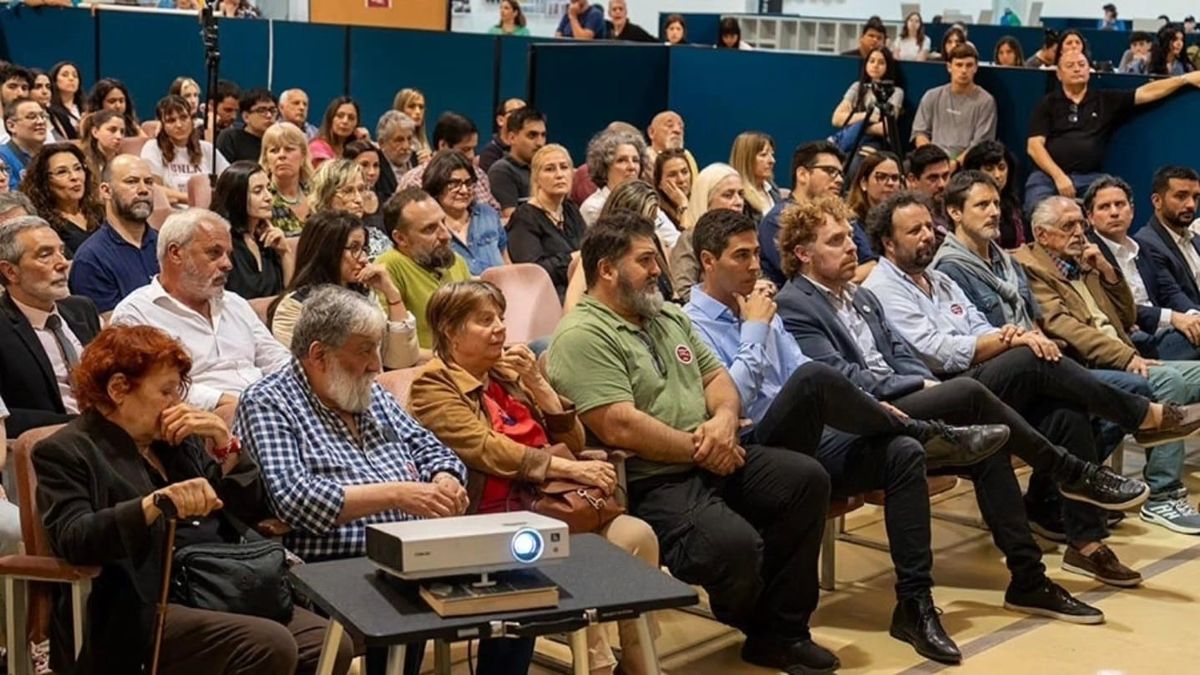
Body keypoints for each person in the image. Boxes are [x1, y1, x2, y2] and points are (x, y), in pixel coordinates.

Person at [686, 206, 1126, 660]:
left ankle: (927, 602)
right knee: (960, 393)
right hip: (764, 446)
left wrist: (881, 404)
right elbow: (739, 395)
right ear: (707, 261)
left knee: (917, 449)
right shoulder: (698, 321)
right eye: (741, 256)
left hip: (837, 426)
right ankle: (1068, 468)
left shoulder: (826, 299)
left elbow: (870, 362)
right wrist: (757, 327)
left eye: (757, 254)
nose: (755, 267)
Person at [774, 195, 1168, 610]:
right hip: (861, 418)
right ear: (802, 253)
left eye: (850, 238)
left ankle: (1030, 579)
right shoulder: (795, 305)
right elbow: (842, 378)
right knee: (984, 386)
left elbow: (900, 353)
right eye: (836, 241)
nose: (851, 247)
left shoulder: (860, 297)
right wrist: (922, 387)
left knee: (997, 438)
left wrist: (921, 383)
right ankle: (1077, 469)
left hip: (910, 401)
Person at [546, 211, 838, 675]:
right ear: (606, 269)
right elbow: (619, 425)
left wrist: (723, 420)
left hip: (711, 455)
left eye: (657, 258)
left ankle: (784, 634)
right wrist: (701, 447)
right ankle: (760, 624)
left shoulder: (665, 315)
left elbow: (718, 378)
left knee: (804, 480)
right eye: (645, 261)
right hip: (651, 480)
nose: (658, 269)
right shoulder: (582, 335)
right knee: (734, 547)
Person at [34, 324, 353, 675]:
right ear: (118, 388)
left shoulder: (177, 440)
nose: (177, 403)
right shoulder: (66, 451)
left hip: (217, 585)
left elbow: (252, 509)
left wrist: (223, 441)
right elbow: (74, 538)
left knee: (328, 642)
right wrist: (154, 504)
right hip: (139, 603)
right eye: (167, 391)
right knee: (268, 644)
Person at [411, 280, 660, 675]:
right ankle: (597, 666)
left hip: (553, 505)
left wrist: (539, 385)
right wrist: (570, 468)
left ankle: (639, 662)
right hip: (495, 516)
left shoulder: (506, 376)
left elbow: (574, 440)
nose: (500, 328)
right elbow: (486, 449)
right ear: (450, 330)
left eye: (501, 318)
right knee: (580, 562)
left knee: (638, 536)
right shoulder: (433, 385)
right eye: (484, 320)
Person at [237, 285, 467, 674]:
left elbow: (434, 450)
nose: (377, 365)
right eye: (364, 350)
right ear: (318, 355)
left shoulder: (371, 395)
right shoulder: (269, 402)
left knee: (519, 600)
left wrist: (445, 478)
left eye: (378, 349)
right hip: (334, 565)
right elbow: (295, 498)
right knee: (404, 601)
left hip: (414, 553)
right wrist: (398, 494)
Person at [1019, 197, 1200, 537]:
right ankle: (1163, 496)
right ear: (1043, 235)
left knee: (1170, 381)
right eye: (1068, 226)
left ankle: (1079, 485)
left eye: (1080, 225)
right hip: (1084, 365)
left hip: (1125, 353)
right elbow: (1061, 325)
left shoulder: (1084, 262)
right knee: (1166, 384)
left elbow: (1128, 317)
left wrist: (1106, 271)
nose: (1079, 233)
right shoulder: (1032, 268)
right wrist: (1124, 358)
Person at [111, 208, 291, 412]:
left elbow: (276, 359)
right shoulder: (137, 313)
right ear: (176, 253)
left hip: (265, 408)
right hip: (201, 421)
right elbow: (152, 386)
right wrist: (230, 402)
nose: (227, 264)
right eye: (214, 253)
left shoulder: (234, 304)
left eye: (227, 254)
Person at [1025, 51, 1200, 213]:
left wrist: (1183, 79)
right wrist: (1059, 177)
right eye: (1070, 66)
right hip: (1048, 176)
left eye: (1081, 64)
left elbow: (1145, 92)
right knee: (1039, 210)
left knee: (1115, 205)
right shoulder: (1048, 103)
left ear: (1089, 69)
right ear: (1059, 73)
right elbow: (1034, 147)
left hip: (1091, 177)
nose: (1077, 68)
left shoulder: (1105, 100)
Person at [269, 210, 418, 368]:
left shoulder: (364, 294)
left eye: (363, 248)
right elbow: (310, 373)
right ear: (327, 252)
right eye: (354, 248)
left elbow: (402, 360)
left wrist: (392, 294)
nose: (364, 258)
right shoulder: (293, 308)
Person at [0, 215, 101, 437]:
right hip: (49, 449)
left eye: (61, 251)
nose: (62, 263)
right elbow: (6, 415)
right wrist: (82, 425)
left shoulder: (82, 309)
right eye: (45, 255)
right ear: (10, 271)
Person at [1086, 175, 1200, 362]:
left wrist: (1193, 316)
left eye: (1120, 204)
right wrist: (1172, 317)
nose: (1114, 212)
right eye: (1104, 207)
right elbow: (1111, 304)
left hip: (1164, 331)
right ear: (1090, 217)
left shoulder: (1144, 247)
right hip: (1130, 339)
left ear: (1131, 210)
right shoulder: (1090, 255)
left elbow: (1170, 291)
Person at [377, 187, 471, 349]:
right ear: (401, 238)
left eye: (443, 222)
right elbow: (391, 349)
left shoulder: (456, 261)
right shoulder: (387, 269)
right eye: (430, 229)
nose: (445, 235)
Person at [68, 155, 159, 313]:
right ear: (106, 191)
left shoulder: (166, 244)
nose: (144, 190)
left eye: (149, 182)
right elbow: (112, 331)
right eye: (131, 181)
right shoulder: (91, 258)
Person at [758, 141, 845, 286]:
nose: (840, 180)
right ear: (802, 174)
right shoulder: (779, 219)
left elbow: (870, 261)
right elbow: (810, 278)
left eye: (840, 173)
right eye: (830, 171)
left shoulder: (838, 218)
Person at [507, 144, 585, 300]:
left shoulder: (571, 210)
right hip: (545, 296)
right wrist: (573, 258)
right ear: (536, 178)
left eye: (564, 167)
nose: (559, 174)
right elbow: (532, 272)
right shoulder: (524, 217)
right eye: (549, 169)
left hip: (580, 288)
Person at [212, 161, 293, 299]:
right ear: (237, 197)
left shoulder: (268, 239)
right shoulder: (223, 244)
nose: (268, 197)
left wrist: (284, 253)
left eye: (268, 189)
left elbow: (289, 296)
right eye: (258, 191)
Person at [419, 149, 508, 276]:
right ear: (436, 185)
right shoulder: (428, 226)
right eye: (454, 184)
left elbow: (506, 261)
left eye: (468, 183)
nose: (464, 190)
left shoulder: (488, 215)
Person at [669, 163, 745, 302]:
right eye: (728, 195)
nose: (738, 202)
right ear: (706, 201)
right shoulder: (690, 240)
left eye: (741, 194)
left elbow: (759, 275)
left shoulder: (745, 237)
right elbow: (685, 291)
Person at [397, 112, 501, 212]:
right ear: (443, 145)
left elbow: (497, 215)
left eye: (473, 148)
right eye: (465, 149)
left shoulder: (480, 176)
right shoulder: (414, 181)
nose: (471, 156)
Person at [912, 44, 996, 165]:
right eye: (959, 65)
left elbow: (979, 145)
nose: (963, 70)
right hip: (931, 162)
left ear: (976, 68)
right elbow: (920, 133)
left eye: (969, 65)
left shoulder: (986, 101)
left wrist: (955, 164)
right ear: (949, 67)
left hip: (967, 165)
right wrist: (933, 161)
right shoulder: (932, 96)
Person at [1133, 166, 1200, 315]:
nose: (1191, 205)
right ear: (1157, 201)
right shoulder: (1146, 243)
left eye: (1195, 197)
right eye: (1181, 196)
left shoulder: (1196, 239)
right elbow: (1173, 298)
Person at [142, 95, 229, 208]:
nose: (179, 125)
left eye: (183, 118)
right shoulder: (153, 148)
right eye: (171, 120)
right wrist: (192, 198)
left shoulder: (206, 148)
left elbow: (229, 180)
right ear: (162, 125)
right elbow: (152, 188)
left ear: (192, 120)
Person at [19, 141, 103, 255]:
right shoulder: (43, 225)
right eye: (62, 172)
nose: (74, 177)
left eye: (78, 168)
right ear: (44, 181)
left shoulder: (100, 211)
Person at [308, 158, 390, 259]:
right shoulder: (317, 241)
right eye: (348, 191)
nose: (359, 199)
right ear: (327, 196)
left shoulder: (377, 236)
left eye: (361, 189)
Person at [830, 46, 905, 155]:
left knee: (855, 160)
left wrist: (859, 127)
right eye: (872, 61)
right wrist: (867, 117)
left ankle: (837, 144)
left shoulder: (896, 92)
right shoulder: (857, 87)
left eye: (881, 62)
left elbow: (885, 128)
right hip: (851, 139)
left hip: (876, 141)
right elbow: (837, 119)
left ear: (888, 66)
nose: (875, 65)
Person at [960, 140, 1028, 248]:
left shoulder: (1012, 203)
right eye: (989, 169)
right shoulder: (966, 205)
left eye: (1002, 168)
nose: (997, 175)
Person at [844, 150, 901, 276]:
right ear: (864, 183)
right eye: (881, 177)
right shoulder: (850, 222)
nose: (890, 183)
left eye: (895, 178)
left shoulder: (902, 220)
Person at [487, 106, 546, 220]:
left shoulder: (545, 168)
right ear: (512, 138)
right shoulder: (502, 170)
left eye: (543, 135)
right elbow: (512, 219)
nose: (540, 143)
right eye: (532, 135)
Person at [580, 128, 646, 226]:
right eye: (622, 160)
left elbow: (671, 237)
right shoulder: (593, 207)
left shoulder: (645, 201)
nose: (632, 167)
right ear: (604, 167)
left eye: (636, 160)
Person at [259, 121, 312, 235]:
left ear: (303, 156)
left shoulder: (316, 193)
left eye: (289, 149)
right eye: (274, 150)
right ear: (266, 159)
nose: (281, 155)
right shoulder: (262, 198)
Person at [904, 144, 953, 244]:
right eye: (933, 178)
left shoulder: (958, 209)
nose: (942, 184)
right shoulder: (905, 219)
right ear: (912, 180)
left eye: (945, 176)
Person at [216, 88, 276, 164]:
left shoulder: (279, 140)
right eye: (261, 110)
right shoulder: (231, 138)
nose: (269, 115)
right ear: (246, 117)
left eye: (272, 110)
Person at [729, 132, 779, 221]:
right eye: (763, 155)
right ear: (746, 159)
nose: (772, 160)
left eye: (772, 154)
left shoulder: (773, 190)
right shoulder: (738, 199)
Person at [0, 97, 48, 190]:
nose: (41, 121)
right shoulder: (2, 157)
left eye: (43, 116)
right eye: (31, 117)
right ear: (11, 125)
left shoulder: (50, 156)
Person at [344, 140, 386, 233]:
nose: (372, 172)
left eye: (376, 165)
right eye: (364, 165)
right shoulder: (343, 203)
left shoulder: (386, 200)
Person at [376, 110, 418, 199]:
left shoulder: (417, 160)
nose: (406, 146)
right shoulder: (376, 168)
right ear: (382, 143)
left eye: (409, 139)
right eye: (399, 140)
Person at [309, 96, 361, 169]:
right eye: (340, 116)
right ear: (330, 119)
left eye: (351, 118)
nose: (345, 121)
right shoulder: (317, 147)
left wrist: (364, 144)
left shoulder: (353, 149)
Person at [78, 108, 125, 183]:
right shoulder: (81, 162)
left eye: (122, 132)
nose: (119, 136)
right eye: (112, 130)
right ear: (95, 132)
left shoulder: (123, 162)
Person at [478, 97, 524, 173]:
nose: (521, 117)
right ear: (500, 120)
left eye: (525, 113)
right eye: (515, 112)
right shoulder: (490, 153)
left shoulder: (529, 149)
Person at [654, 147, 691, 236]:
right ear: (659, 184)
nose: (681, 180)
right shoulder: (656, 215)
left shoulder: (700, 202)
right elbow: (686, 244)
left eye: (684, 172)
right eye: (672, 175)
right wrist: (683, 205)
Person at [46, 61, 84, 141]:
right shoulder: (49, 110)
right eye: (65, 75)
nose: (71, 78)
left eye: (75, 76)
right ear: (54, 81)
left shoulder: (86, 108)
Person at [393, 88, 430, 162]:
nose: (418, 112)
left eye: (421, 107)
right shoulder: (391, 144)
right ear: (400, 110)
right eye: (412, 106)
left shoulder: (422, 143)